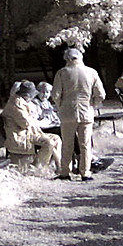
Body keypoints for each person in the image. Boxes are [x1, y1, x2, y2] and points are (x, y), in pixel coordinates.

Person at [51, 45, 107, 180]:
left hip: (67, 113)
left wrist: (61, 106)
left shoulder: (62, 73)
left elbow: (55, 94)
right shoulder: (91, 72)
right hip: (86, 111)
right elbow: (101, 94)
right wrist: (93, 104)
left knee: (67, 144)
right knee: (86, 144)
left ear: (67, 59)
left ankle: (65, 172)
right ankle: (85, 172)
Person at [0, 80, 61, 175]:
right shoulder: (17, 104)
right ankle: (37, 167)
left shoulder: (22, 102)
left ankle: (56, 166)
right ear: (27, 95)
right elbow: (25, 123)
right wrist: (34, 119)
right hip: (20, 135)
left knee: (56, 138)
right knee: (48, 142)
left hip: (28, 132)